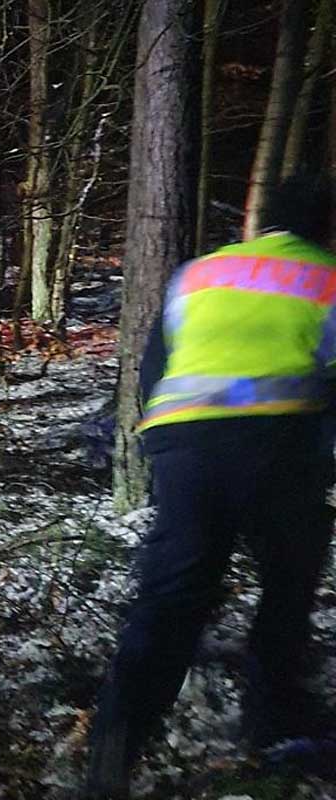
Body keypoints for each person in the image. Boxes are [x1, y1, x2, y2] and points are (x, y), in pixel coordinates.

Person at [86, 175, 336, 798]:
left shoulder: (200, 273)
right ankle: (273, 721)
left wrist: (162, 439)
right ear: (324, 226)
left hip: (185, 444)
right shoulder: (327, 278)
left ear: (263, 221)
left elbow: (155, 365)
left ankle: (116, 739)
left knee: (172, 594)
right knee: (289, 579)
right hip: (278, 442)